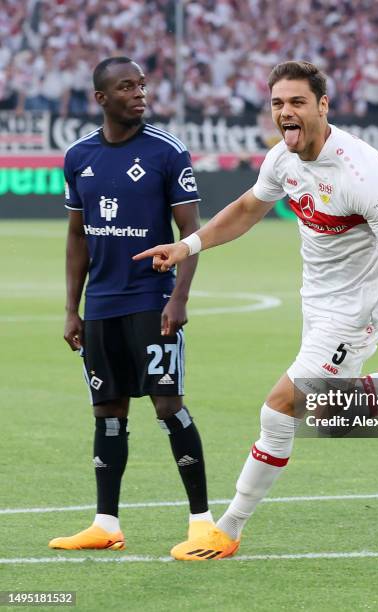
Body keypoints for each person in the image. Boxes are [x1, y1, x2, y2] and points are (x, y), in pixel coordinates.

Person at [135, 60, 378, 560]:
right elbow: (249, 208)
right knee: (334, 408)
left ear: (323, 105)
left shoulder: (361, 171)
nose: (285, 112)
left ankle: (227, 528)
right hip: (316, 303)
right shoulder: (283, 158)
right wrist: (187, 246)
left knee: (279, 407)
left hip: (357, 309)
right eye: (277, 103)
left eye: (297, 102)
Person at [49, 56, 213, 552]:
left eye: (142, 85)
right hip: (100, 305)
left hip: (152, 299)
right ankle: (106, 524)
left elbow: (192, 233)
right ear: (101, 98)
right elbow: (77, 235)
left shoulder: (167, 151)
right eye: (127, 87)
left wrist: (179, 297)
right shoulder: (78, 156)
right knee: (107, 411)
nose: (140, 93)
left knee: (169, 407)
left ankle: (203, 521)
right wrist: (71, 308)